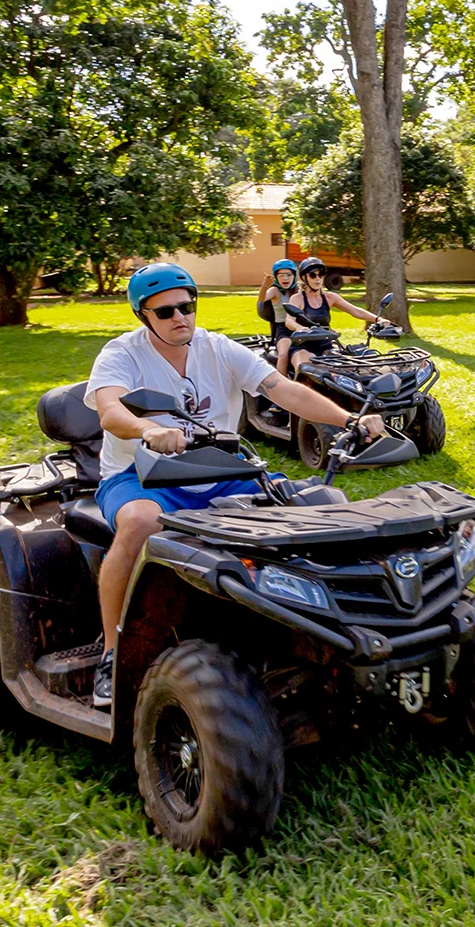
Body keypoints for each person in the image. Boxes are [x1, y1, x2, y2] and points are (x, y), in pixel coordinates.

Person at [84, 262, 384, 709]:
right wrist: (146, 430)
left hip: (221, 470)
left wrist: (350, 419)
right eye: (165, 312)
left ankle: (322, 630)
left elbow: (282, 389)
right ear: (143, 315)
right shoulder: (122, 354)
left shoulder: (217, 348)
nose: (180, 317)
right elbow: (110, 410)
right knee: (141, 523)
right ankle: (112, 652)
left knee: (312, 504)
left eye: (187, 306)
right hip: (141, 475)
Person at [286, 256, 393, 373]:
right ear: (304, 277)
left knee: (350, 370)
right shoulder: (297, 299)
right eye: (313, 275)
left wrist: (378, 319)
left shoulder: (330, 297)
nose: (317, 279)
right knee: (305, 369)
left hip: (326, 345)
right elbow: (289, 321)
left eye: (320, 274)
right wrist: (300, 328)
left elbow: (356, 311)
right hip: (303, 346)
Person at [256, 258, 299, 376]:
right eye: (281, 275)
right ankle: (281, 384)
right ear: (276, 277)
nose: (285, 278)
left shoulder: (299, 290)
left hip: (301, 327)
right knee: (284, 354)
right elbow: (262, 299)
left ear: (294, 276)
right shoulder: (274, 291)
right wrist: (265, 285)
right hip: (283, 329)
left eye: (289, 275)